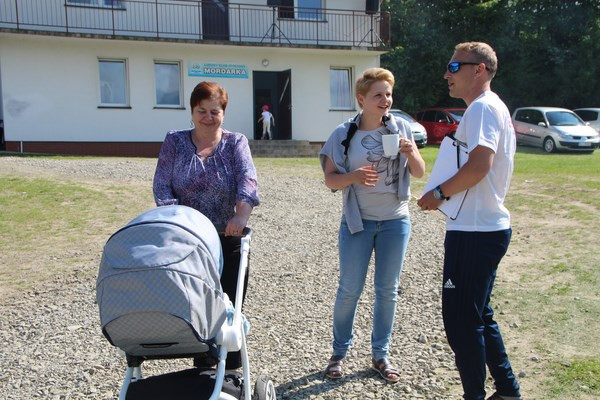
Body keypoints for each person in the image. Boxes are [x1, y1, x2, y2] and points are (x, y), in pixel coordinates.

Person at [417, 42, 522, 400]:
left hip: (476, 232)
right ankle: (507, 391)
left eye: (454, 66)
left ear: (479, 70)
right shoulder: (491, 106)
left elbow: (479, 165)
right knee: (478, 314)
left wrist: (438, 194)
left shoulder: (482, 107)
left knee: (461, 322)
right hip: (483, 229)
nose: (446, 73)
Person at [319, 67, 425, 383]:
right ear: (361, 99)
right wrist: (353, 176)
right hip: (358, 222)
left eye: (388, 94)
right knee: (349, 289)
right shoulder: (342, 134)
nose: (385, 100)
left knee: (387, 291)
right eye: (378, 94)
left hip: (395, 221)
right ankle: (339, 353)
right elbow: (330, 180)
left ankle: (381, 355)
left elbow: (419, 172)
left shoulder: (401, 127)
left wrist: (412, 152)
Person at [153, 81, 259, 369]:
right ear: (192, 111)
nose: (208, 117)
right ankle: (202, 367)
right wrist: (178, 221)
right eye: (202, 111)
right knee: (196, 305)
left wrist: (241, 216)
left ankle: (232, 370)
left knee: (229, 306)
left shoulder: (235, 142)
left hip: (227, 235)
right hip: (188, 240)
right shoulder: (174, 141)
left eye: (215, 111)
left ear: (223, 113)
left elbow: (248, 181)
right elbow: (162, 186)